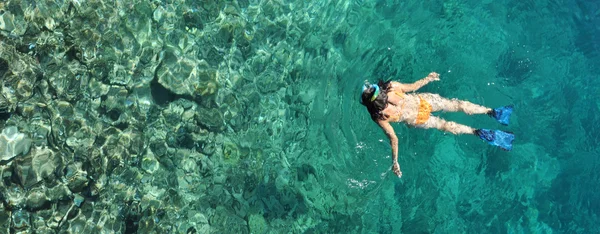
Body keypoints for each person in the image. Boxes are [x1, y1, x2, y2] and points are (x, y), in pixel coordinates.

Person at [360, 72, 514, 178]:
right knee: (456, 105)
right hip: (424, 101)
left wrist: (395, 162)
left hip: (417, 119)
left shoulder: (379, 116)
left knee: (444, 125)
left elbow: (393, 138)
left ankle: (478, 132)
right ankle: (492, 112)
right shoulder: (392, 87)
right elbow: (413, 87)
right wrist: (428, 78)